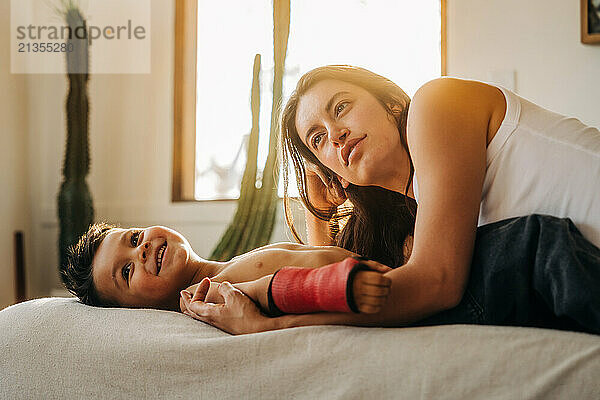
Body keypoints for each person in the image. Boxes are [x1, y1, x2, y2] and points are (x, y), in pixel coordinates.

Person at [179, 65, 600, 334]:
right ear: (332, 173)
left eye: (341, 107)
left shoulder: (436, 105)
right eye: (319, 138)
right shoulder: (422, 219)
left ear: (393, 103)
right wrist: (319, 216)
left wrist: (269, 323)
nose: (336, 133)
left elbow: (435, 285)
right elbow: (360, 285)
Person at [60, 222, 392, 315]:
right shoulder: (209, 295)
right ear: (133, 311)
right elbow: (290, 291)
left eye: (133, 238)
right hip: (374, 291)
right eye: (126, 272)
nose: (142, 249)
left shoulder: (224, 268)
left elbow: (307, 257)